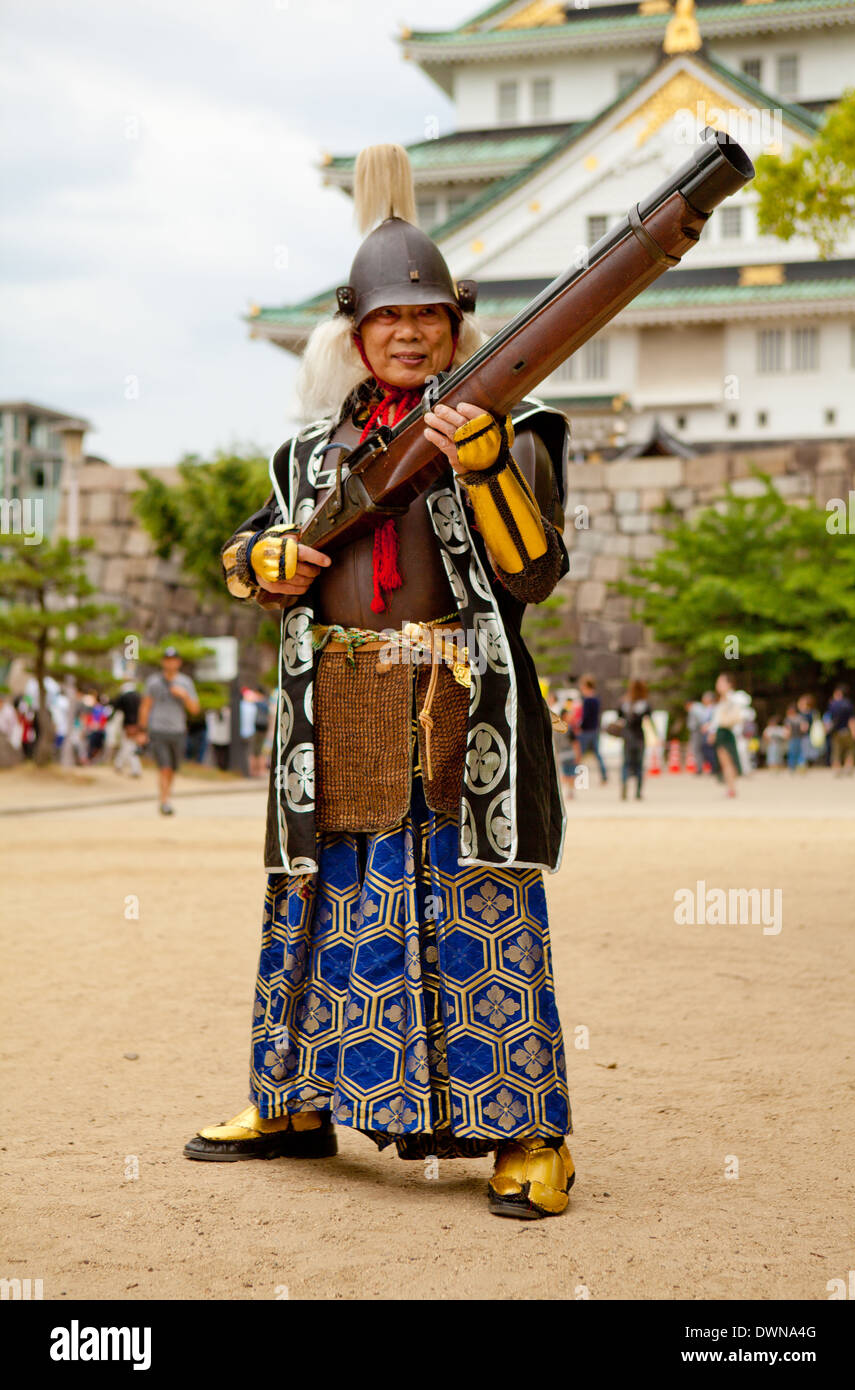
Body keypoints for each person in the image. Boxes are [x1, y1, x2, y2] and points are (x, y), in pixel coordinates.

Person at [184, 144, 575, 1219]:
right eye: (386, 319)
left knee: (479, 913)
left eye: (429, 317)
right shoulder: (306, 456)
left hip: (461, 708)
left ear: (456, 327)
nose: (408, 333)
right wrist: (260, 561)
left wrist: (485, 464)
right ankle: (296, 1101)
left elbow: (532, 569)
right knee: (319, 913)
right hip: (334, 714)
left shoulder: (516, 431)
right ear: (354, 334)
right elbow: (254, 551)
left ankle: (529, 1134)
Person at [137, 646, 200, 815]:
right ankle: (164, 801)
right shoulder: (153, 682)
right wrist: (142, 730)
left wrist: (184, 695)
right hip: (158, 729)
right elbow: (145, 706)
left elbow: (195, 709)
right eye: (167, 660)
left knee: (172, 768)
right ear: (163, 662)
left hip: (178, 730)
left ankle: (167, 796)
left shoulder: (186, 683)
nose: (170, 663)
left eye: (174, 660)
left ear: (178, 662)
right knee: (164, 767)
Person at [706, 672, 742, 797]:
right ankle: (730, 787)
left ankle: (731, 787)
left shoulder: (733, 698)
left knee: (728, 761)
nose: (718, 685)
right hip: (721, 732)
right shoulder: (722, 699)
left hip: (727, 731)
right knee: (725, 762)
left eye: (721, 682)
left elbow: (734, 717)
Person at [617, 679, 652, 800]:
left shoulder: (624, 702)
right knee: (639, 764)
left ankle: (624, 786)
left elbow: (619, 715)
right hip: (639, 736)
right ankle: (638, 791)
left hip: (627, 736)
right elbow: (648, 717)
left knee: (626, 763)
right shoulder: (644, 704)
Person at [576, 674, 607, 784]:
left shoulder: (588, 700)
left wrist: (580, 726)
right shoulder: (596, 698)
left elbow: (586, 716)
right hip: (594, 729)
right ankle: (604, 776)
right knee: (597, 754)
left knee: (579, 754)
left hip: (586, 730)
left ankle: (575, 776)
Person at [824, 684, 855, 776]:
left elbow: (828, 719)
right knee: (850, 750)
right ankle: (848, 767)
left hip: (836, 732)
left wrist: (826, 729)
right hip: (847, 731)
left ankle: (837, 769)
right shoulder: (848, 704)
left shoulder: (832, 704)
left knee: (836, 751)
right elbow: (851, 719)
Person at [112, 680, 143, 778]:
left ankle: (134, 768)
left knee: (129, 746)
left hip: (128, 725)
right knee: (129, 745)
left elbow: (115, 707)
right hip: (138, 724)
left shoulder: (124, 697)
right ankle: (119, 764)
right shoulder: (139, 697)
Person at [784, 700, 810, 775]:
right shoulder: (800, 717)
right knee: (799, 753)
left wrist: (787, 736)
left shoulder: (789, 719)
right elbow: (805, 727)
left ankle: (793, 768)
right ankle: (800, 768)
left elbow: (788, 729)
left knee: (793, 753)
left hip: (795, 738)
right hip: (799, 737)